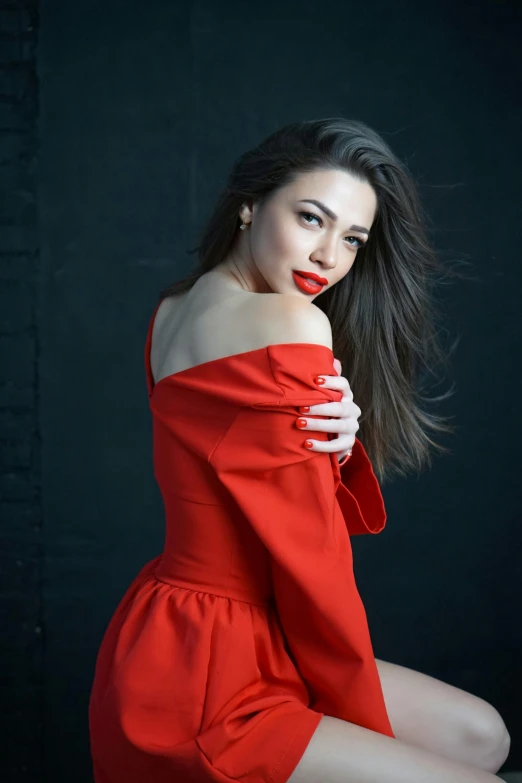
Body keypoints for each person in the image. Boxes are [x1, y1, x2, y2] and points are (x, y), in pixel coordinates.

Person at [88, 118, 510, 782]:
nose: (328, 258)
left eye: (351, 239)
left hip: (167, 634)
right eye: (311, 218)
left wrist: (333, 448)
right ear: (251, 203)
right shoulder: (292, 320)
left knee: (482, 735)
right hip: (218, 673)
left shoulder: (173, 308)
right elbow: (311, 558)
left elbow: (233, 456)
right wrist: (348, 701)